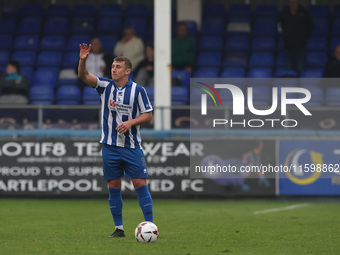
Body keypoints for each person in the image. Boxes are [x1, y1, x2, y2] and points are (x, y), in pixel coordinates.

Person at [78, 43, 153, 238]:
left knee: (139, 183)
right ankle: (119, 228)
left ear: (127, 71)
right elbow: (84, 76)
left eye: (118, 67)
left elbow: (148, 115)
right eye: (112, 66)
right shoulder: (104, 86)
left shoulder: (138, 90)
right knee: (113, 186)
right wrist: (83, 60)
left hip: (131, 146)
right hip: (110, 146)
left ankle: (150, 226)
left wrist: (131, 123)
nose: (114, 69)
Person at [279, 0, 313, 75]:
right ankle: (290, 85)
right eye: (292, 2)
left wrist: (303, 37)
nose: (293, 4)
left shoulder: (304, 13)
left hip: (301, 46)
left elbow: (310, 27)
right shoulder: (284, 14)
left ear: (298, 3)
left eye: (295, 2)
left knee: (300, 67)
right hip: (288, 46)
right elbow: (280, 28)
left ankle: (300, 85)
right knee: (289, 68)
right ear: (289, 3)